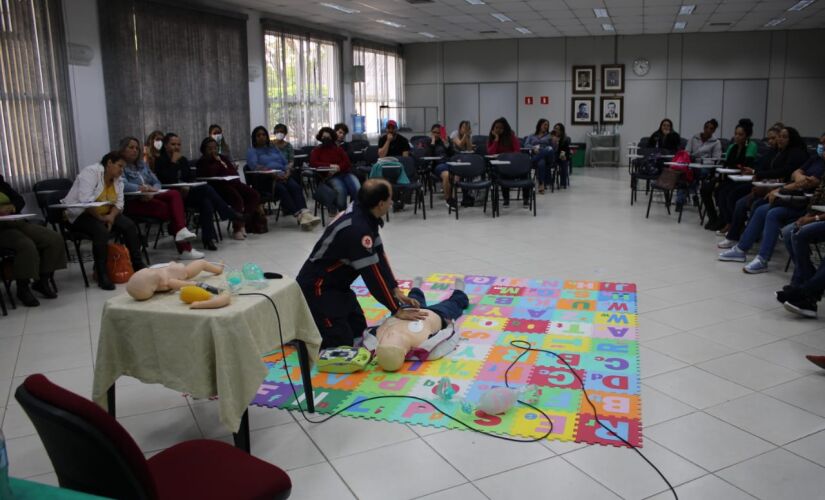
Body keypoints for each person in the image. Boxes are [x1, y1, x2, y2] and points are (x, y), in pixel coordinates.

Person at [296, 179, 425, 349]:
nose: (391, 202)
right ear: (380, 204)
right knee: (340, 344)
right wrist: (396, 309)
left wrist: (394, 288)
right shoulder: (358, 230)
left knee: (359, 330)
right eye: (390, 199)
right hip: (318, 288)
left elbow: (379, 255)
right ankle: (302, 330)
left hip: (338, 286)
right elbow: (372, 275)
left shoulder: (365, 212)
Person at [719, 134, 824, 273]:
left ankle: (763, 259)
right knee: (761, 209)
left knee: (772, 213)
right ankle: (741, 249)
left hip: (807, 205)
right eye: (821, 143)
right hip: (795, 199)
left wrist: (787, 185)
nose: (821, 146)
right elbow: (796, 174)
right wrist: (801, 178)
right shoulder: (815, 159)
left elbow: (811, 182)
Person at [63, 152, 145, 290]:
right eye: (119, 166)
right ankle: (102, 273)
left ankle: (138, 265)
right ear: (109, 163)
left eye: (123, 167)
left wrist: (111, 217)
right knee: (101, 231)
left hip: (106, 213)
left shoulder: (118, 179)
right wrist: (101, 218)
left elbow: (119, 204)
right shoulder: (90, 173)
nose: (121, 170)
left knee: (129, 226)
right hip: (80, 214)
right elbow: (85, 201)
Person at [719, 126, 811, 249]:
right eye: (779, 137)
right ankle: (735, 236)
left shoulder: (796, 153)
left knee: (755, 205)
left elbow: (785, 172)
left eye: (783, 137)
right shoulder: (778, 152)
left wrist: (760, 176)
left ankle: (747, 239)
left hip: (787, 194)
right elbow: (766, 168)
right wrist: (758, 175)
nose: (779, 140)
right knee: (739, 202)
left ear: (791, 139)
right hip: (770, 187)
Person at [118, 136, 203, 259]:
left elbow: (156, 181)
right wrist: (141, 189)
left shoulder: (142, 165)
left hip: (150, 197)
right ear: (122, 150)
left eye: (137, 148)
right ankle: (184, 246)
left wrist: (153, 191)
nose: (135, 150)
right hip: (132, 202)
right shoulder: (120, 165)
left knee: (174, 194)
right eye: (131, 147)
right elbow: (122, 185)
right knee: (171, 211)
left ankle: (182, 237)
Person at [153, 134, 240, 251]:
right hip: (172, 196)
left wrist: (187, 186)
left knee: (206, 202)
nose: (176, 147)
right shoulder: (160, 160)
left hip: (186, 193)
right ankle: (228, 213)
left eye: (178, 144)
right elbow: (166, 179)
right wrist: (173, 162)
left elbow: (189, 178)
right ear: (165, 145)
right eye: (173, 144)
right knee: (206, 190)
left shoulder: (182, 160)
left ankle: (208, 239)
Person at [364, 276, 469, 372]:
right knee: (453, 304)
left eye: (385, 340)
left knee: (413, 297)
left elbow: (369, 331)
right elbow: (445, 340)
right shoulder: (423, 348)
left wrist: (385, 319)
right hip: (438, 313)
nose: (390, 335)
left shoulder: (376, 339)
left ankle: (415, 287)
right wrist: (451, 326)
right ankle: (459, 291)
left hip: (406, 311)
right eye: (395, 341)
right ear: (405, 352)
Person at [0, 176, 67, 306]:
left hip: (15, 221)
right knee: (26, 245)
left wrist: (12, 206)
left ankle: (42, 280)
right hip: (1, 230)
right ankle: (23, 288)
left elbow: (19, 199)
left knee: (54, 238)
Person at [245, 126, 320, 230]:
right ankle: (299, 216)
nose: (262, 137)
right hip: (267, 179)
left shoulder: (273, 148)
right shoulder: (252, 151)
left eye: (263, 135)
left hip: (283, 175)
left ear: (267, 136)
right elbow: (254, 167)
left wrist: (288, 172)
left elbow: (286, 162)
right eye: (258, 135)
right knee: (283, 190)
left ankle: (305, 213)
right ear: (254, 138)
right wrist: (272, 174)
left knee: (296, 187)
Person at [197, 136, 264, 239]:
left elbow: (233, 171)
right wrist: (217, 162)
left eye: (215, 148)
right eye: (209, 149)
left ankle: (244, 222)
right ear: (204, 150)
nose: (213, 151)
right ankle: (237, 228)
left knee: (254, 195)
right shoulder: (202, 161)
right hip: (218, 187)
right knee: (237, 199)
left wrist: (222, 164)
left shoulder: (222, 157)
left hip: (232, 183)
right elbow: (211, 172)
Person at [702, 119, 758, 231]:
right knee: (705, 189)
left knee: (722, 192)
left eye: (740, 134)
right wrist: (719, 177)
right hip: (727, 176)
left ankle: (727, 221)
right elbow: (726, 164)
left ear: (747, 136)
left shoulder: (751, 146)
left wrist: (733, 170)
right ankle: (714, 218)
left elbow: (747, 165)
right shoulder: (732, 147)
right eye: (736, 134)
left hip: (741, 179)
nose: (737, 137)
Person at [309, 126, 361, 212]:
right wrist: (330, 166)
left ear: (332, 138)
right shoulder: (317, 150)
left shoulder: (338, 149)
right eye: (323, 137)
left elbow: (347, 162)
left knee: (357, 187)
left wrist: (338, 167)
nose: (326, 139)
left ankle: (355, 210)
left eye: (328, 137)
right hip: (330, 176)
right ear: (320, 138)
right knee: (341, 190)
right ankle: (342, 212)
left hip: (344, 173)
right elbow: (313, 163)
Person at [426, 124, 458, 208]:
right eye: (434, 132)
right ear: (431, 133)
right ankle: (448, 199)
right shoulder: (428, 142)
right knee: (447, 175)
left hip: (449, 163)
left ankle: (454, 198)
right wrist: (432, 143)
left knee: (457, 174)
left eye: (438, 133)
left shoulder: (445, 141)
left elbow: (453, 154)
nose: (436, 134)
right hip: (438, 165)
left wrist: (447, 144)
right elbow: (428, 156)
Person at [524, 119, 554, 194]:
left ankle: (531, 161)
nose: (546, 126)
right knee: (541, 163)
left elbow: (553, 148)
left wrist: (554, 141)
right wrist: (533, 148)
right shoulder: (531, 135)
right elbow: (526, 145)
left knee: (548, 149)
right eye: (544, 124)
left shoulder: (549, 136)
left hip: (547, 157)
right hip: (536, 155)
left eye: (547, 125)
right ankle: (541, 184)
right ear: (539, 125)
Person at [553, 123, 572, 189]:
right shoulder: (551, 137)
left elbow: (565, 150)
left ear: (561, 131)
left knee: (564, 161)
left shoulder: (565, 139)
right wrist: (554, 142)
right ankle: (547, 182)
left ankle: (563, 183)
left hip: (560, 155)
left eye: (558, 129)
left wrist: (563, 156)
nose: (556, 130)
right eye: (555, 128)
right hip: (552, 156)